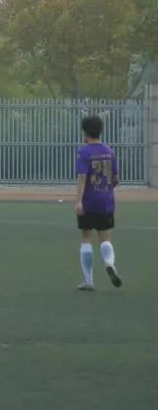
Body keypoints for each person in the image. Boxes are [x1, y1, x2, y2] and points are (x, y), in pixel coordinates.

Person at [74, 115, 122, 291]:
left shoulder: (84, 152)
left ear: (85, 132)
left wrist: (78, 201)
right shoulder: (110, 152)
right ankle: (109, 263)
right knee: (105, 238)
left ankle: (88, 280)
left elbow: (82, 177)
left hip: (88, 201)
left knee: (86, 237)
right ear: (100, 131)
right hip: (105, 201)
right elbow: (115, 179)